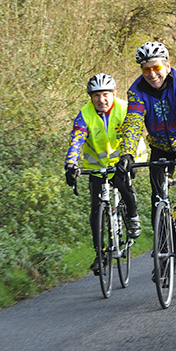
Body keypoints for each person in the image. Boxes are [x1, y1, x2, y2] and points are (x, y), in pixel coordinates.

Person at [116, 41, 176, 234]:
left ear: (167, 66)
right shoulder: (136, 91)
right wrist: (127, 154)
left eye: (156, 67)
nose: (152, 74)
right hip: (160, 146)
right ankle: (163, 252)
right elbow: (133, 123)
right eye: (146, 69)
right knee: (157, 197)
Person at [65, 73, 141, 274]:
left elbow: (133, 133)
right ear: (90, 97)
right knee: (97, 209)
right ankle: (100, 254)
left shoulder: (125, 109)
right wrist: (70, 164)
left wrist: (129, 158)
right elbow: (76, 141)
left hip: (123, 161)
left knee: (124, 185)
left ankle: (132, 216)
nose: (101, 100)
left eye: (106, 94)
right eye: (96, 95)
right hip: (97, 167)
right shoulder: (84, 114)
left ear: (113, 93)